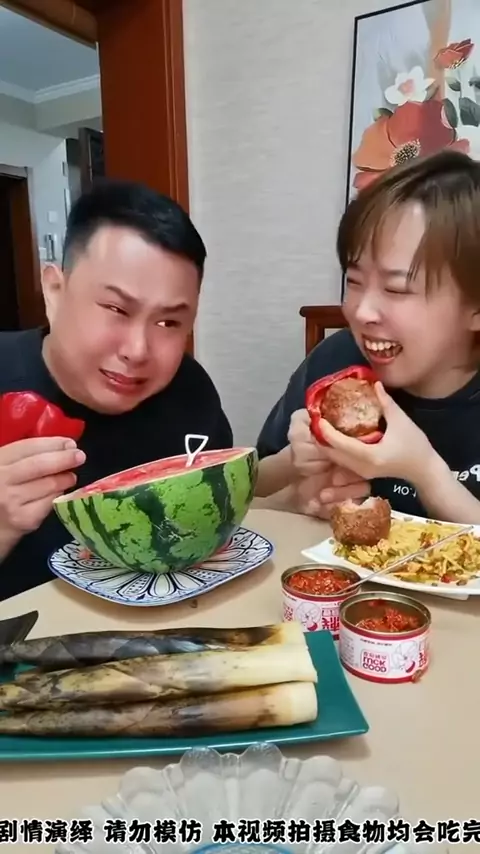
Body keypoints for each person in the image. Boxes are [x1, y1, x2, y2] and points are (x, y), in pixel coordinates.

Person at [0, 179, 233, 599]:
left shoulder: (189, 390)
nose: (137, 350)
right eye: (116, 309)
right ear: (54, 291)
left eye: (169, 322)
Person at [255, 149, 480, 524]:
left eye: (396, 289)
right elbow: (249, 491)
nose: (362, 312)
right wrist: (294, 464)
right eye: (355, 281)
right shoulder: (337, 359)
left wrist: (425, 472)